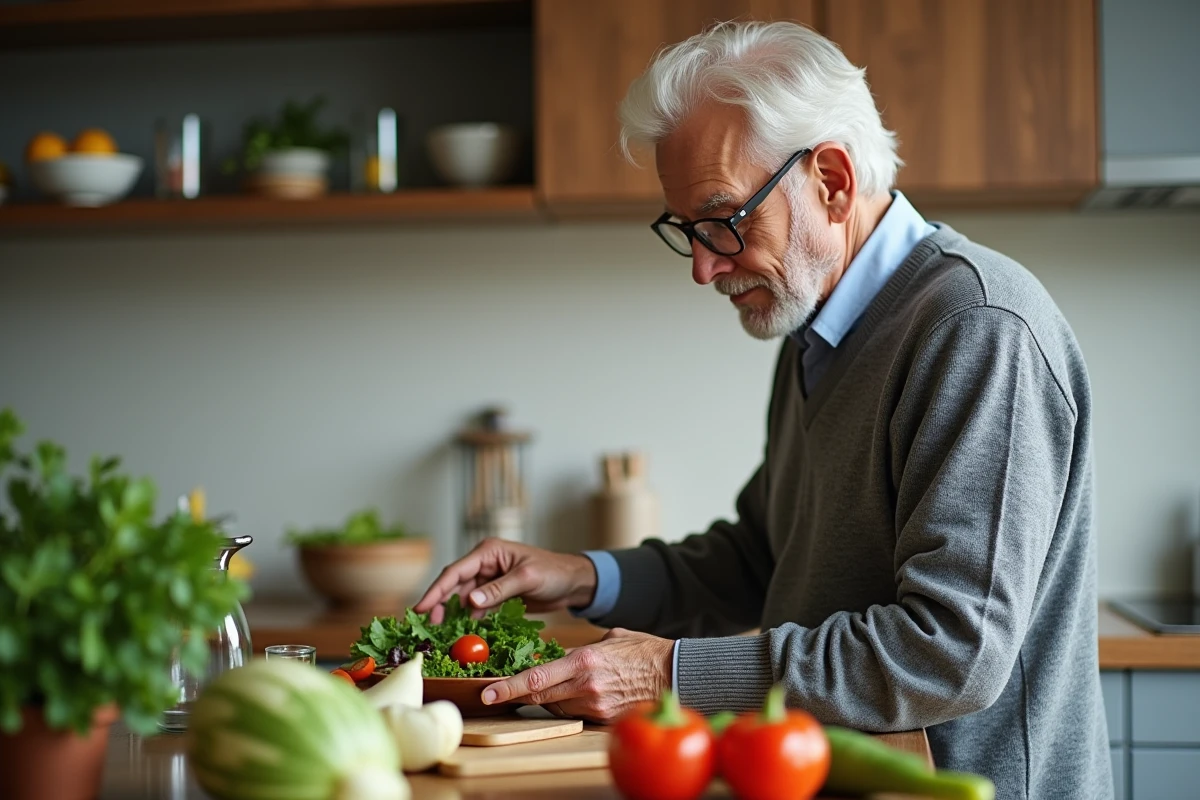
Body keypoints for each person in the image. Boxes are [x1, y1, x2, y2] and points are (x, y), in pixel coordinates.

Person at [416, 20, 1109, 799]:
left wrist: (665, 674)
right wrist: (581, 576)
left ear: (833, 183)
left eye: (724, 219)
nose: (705, 265)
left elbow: (949, 652)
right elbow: (763, 556)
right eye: (688, 231)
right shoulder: (818, 328)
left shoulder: (976, 328)